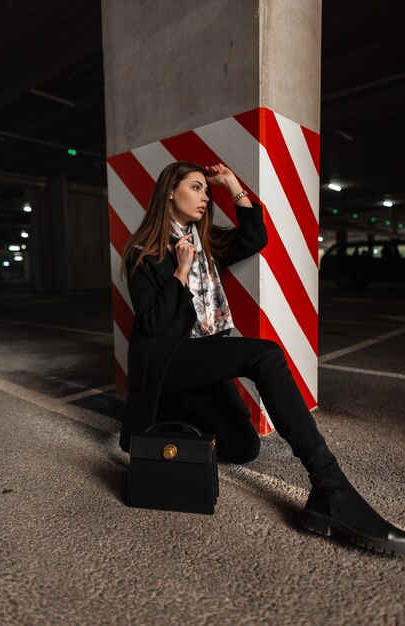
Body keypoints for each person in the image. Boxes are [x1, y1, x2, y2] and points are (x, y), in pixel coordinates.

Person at [119, 160, 405, 555]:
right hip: (166, 361)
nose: (205, 197)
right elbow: (152, 323)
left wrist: (233, 185)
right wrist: (180, 272)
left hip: (202, 354)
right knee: (264, 354)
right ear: (171, 191)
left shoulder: (205, 242)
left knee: (243, 448)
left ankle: (174, 410)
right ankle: (331, 489)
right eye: (197, 188)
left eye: (207, 191)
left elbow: (255, 237)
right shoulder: (144, 252)